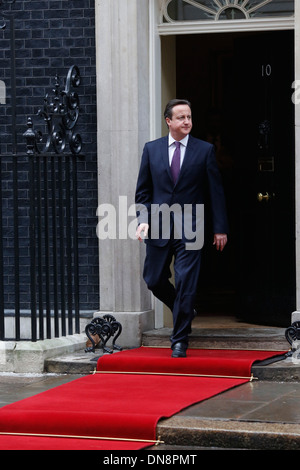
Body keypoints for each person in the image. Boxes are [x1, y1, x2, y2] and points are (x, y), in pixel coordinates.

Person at [135, 99, 228, 357]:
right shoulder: (151, 150)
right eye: (181, 118)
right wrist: (143, 219)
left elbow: (215, 192)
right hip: (159, 224)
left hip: (192, 226)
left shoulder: (204, 150)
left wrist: (220, 228)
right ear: (169, 121)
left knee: (186, 281)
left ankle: (179, 340)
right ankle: (184, 308)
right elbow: (143, 191)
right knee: (153, 279)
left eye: (189, 117)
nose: (187, 121)